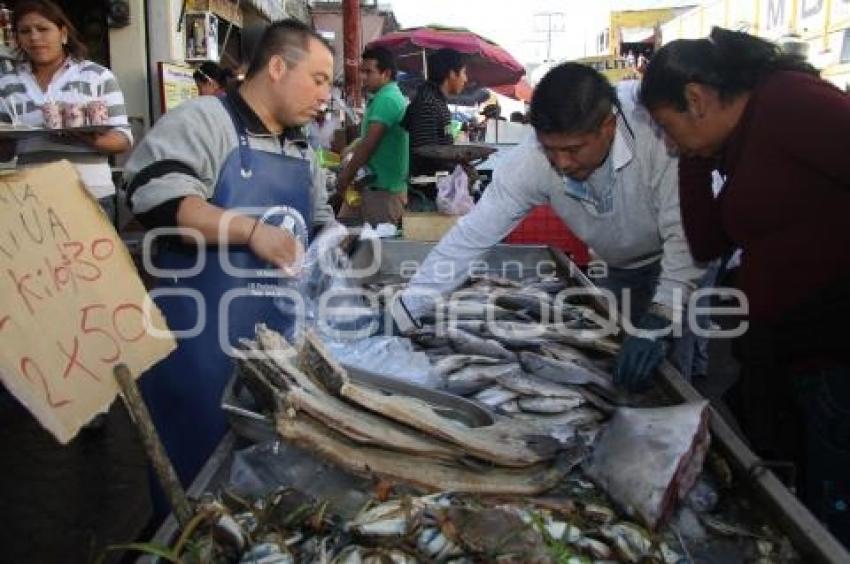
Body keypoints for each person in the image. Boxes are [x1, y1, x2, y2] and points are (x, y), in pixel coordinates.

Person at [640, 26, 850, 545]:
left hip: (835, 350)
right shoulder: (730, 144)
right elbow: (708, 241)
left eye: (668, 127)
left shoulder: (789, 101)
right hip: (786, 353)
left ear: (696, 98)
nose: (666, 143)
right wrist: (692, 157)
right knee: (798, 494)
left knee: (834, 505)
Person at [392, 62, 706, 389]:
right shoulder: (532, 160)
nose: (562, 163)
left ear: (608, 127)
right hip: (618, 266)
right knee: (619, 361)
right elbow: (471, 236)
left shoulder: (658, 136)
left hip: (680, 259)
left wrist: (663, 314)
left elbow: (684, 235)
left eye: (573, 149)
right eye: (551, 150)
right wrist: (406, 308)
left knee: (670, 367)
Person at [124, 19, 335, 492]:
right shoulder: (204, 119)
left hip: (278, 351)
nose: (326, 96)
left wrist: (340, 242)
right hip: (199, 347)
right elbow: (155, 197)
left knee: (267, 489)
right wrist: (249, 231)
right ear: (277, 66)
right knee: (194, 487)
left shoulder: (305, 147)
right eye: (319, 80)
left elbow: (320, 220)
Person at [0, 0, 132, 219]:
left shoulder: (96, 76)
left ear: (63, 33)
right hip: (31, 196)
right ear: (17, 38)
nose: (34, 37)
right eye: (25, 31)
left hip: (89, 193)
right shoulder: (7, 82)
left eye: (43, 29)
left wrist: (84, 136)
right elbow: (4, 153)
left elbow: (122, 140)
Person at [336, 45, 409, 225]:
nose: (363, 77)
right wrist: (352, 147)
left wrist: (345, 176)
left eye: (368, 72)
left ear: (386, 73)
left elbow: (369, 145)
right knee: (342, 237)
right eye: (362, 71)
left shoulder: (388, 99)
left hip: (383, 193)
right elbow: (367, 137)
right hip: (366, 186)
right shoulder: (383, 97)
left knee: (377, 249)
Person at [402, 48, 467, 176]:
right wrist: (457, 164)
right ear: (452, 73)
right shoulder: (428, 103)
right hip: (426, 189)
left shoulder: (437, 100)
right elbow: (426, 153)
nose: (466, 79)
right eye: (464, 72)